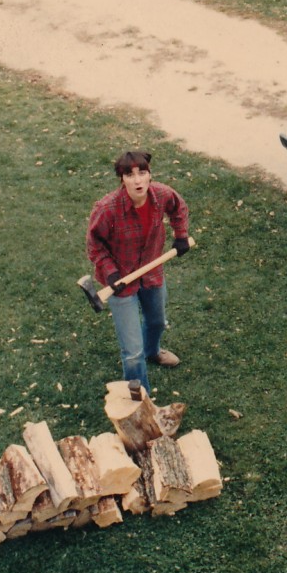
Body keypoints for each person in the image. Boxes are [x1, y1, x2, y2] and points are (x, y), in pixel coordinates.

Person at [86, 150, 190, 395]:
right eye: (129, 175)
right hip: (121, 283)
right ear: (121, 179)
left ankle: (152, 351)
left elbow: (179, 208)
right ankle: (138, 401)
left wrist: (181, 235)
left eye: (142, 173)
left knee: (156, 322)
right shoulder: (107, 208)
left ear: (149, 175)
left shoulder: (162, 195)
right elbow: (95, 244)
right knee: (132, 352)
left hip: (151, 272)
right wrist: (111, 274)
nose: (137, 180)